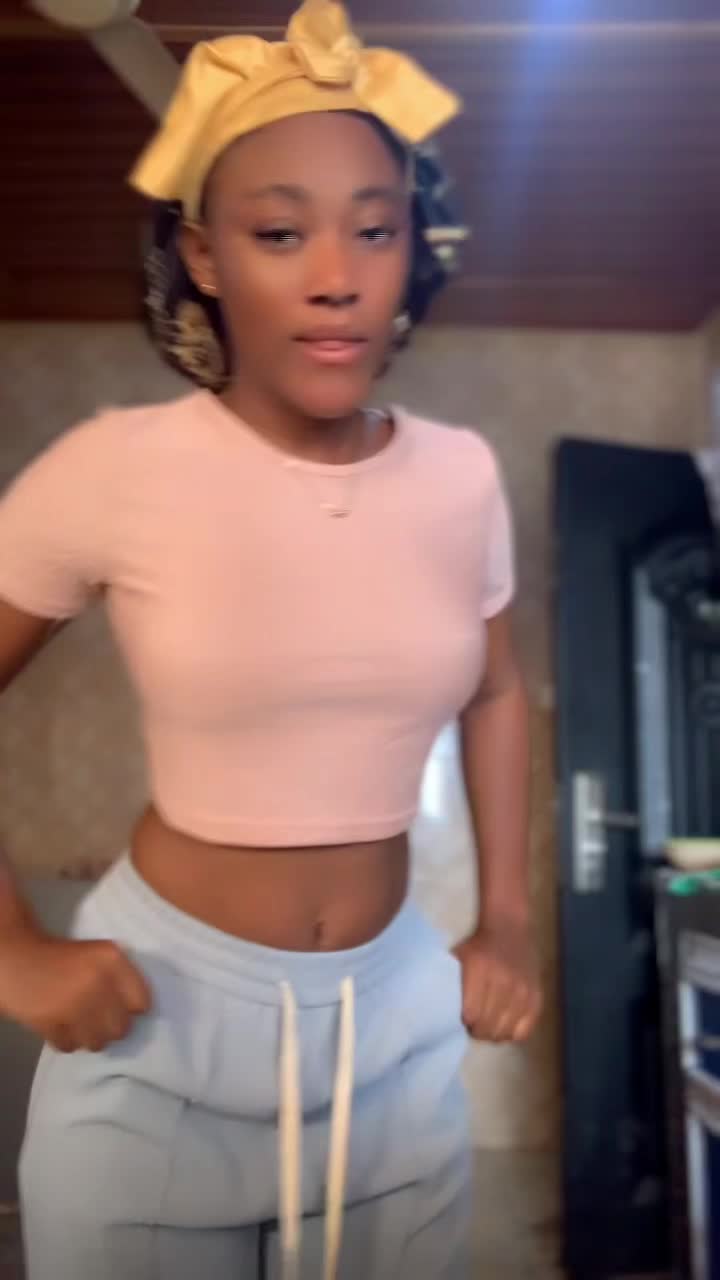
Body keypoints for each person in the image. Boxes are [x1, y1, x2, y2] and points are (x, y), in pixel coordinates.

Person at [0, 2, 541, 1277]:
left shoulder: (460, 477)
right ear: (203, 254)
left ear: (409, 252)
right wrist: (11, 948)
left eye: (374, 228)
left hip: (395, 1032)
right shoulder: (114, 469)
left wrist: (510, 917)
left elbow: (499, 691)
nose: (335, 275)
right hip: (155, 1036)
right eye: (280, 231)